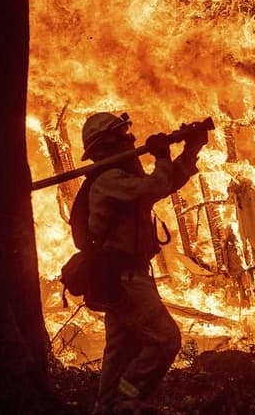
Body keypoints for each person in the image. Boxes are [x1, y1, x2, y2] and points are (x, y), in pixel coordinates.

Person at [77, 111, 207, 414]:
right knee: (165, 340)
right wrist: (162, 156)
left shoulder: (120, 178)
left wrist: (191, 150)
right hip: (125, 280)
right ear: (107, 143)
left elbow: (165, 182)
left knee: (120, 351)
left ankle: (106, 405)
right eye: (123, 134)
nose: (131, 138)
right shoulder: (109, 180)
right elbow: (154, 187)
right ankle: (126, 398)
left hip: (124, 277)